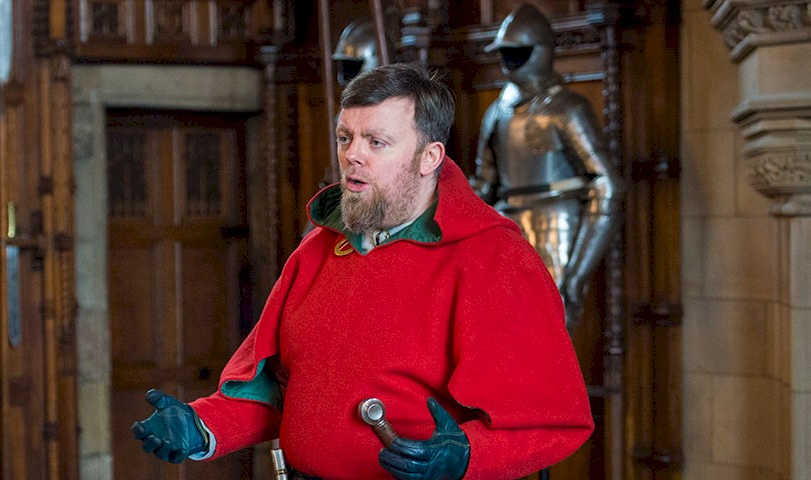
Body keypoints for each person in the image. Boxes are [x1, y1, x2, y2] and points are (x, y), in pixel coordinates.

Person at [132, 63, 592, 480]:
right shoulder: (319, 247)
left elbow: (554, 424)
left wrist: (468, 455)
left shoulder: (494, 259)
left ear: (430, 157)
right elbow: (274, 387)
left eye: (376, 142)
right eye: (344, 137)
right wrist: (201, 425)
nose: (352, 155)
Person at [469, 4, 623, 331]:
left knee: (549, 327)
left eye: (517, 53)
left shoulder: (567, 107)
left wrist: (578, 272)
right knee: (497, 330)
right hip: (504, 226)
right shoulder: (496, 112)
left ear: (541, 51)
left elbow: (606, 184)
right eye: (505, 53)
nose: (509, 61)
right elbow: (483, 184)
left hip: (556, 222)